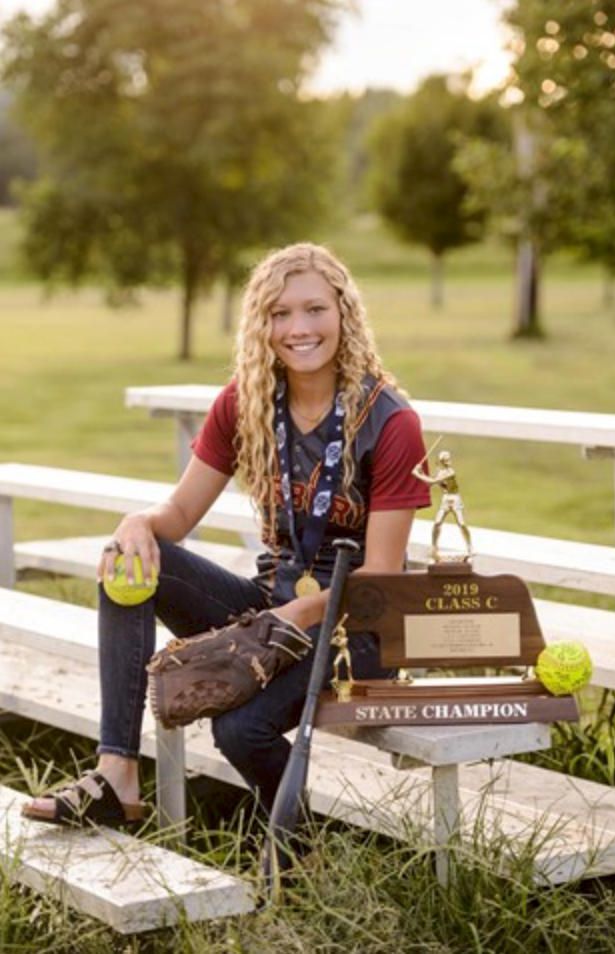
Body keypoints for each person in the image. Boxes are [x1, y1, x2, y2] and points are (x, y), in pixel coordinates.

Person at [23, 242, 431, 827]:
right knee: (130, 563)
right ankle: (116, 776)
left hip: (359, 629)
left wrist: (294, 617)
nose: (299, 328)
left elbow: (383, 578)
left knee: (240, 729)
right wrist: (138, 523)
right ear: (261, 324)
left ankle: (298, 848)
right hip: (271, 607)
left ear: (345, 314)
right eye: (280, 313)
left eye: (315, 309)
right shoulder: (246, 402)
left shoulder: (391, 422)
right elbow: (179, 514)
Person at [412, 449, 472, 561]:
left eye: (449, 459)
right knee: (437, 523)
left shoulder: (451, 472)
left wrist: (417, 474)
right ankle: (434, 548)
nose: (449, 461)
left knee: (462, 524)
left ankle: (470, 548)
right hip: (445, 499)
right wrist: (421, 472)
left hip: (455, 499)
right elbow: (429, 483)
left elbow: (432, 482)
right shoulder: (439, 472)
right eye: (446, 459)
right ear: (441, 461)